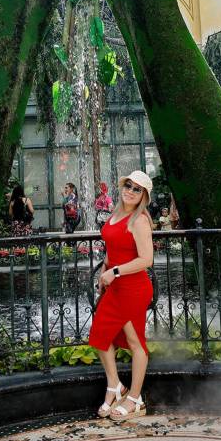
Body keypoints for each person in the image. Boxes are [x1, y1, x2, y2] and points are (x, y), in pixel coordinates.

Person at [88, 170, 154, 421]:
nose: (130, 191)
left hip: (133, 288)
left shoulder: (140, 220)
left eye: (137, 189)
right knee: (100, 336)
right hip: (115, 287)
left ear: (144, 196)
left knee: (135, 342)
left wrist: (114, 271)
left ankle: (135, 398)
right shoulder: (117, 214)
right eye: (128, 185)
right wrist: (105, 269)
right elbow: (113, 247)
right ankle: (115, 386)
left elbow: (146, 260)